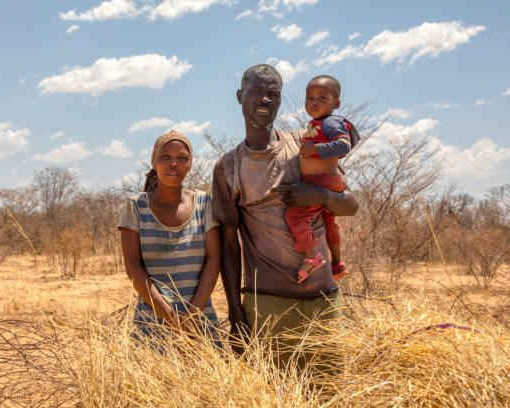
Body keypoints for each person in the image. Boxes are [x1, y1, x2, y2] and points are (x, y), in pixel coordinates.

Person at [212, 64, 359, 371]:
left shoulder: (304, 144)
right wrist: (236, 314)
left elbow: (350, 205)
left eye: (272, 94)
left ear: (279, 102)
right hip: (267, 303)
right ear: (240, 97)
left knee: (330, 395)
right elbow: (229, 246)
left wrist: (320, 197)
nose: (264, 99)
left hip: (324, 300)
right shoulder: (228, 167)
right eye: (255, 91)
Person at [118, 130, 221, 338]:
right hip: (151, 328)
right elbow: (132, 266)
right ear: (154, 162)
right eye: (165, 157)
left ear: (189, 165)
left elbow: (214, 260)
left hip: (200, 325)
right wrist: (172, 318)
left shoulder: (203, 204)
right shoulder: (136, 206)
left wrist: (192, 317)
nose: (173, 163)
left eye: (181, 158)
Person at [285, 75, 360, 282]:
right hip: (325, 181)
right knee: (328, 221)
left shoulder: (332, 122)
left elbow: (344, 145)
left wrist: (315, 149)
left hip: (322, 181)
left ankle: (312, 256)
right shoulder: (318, 124)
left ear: (336, 103)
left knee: (295, 216)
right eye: (310, 98)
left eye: (322, 98)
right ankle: (337, 262)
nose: (314, 102)